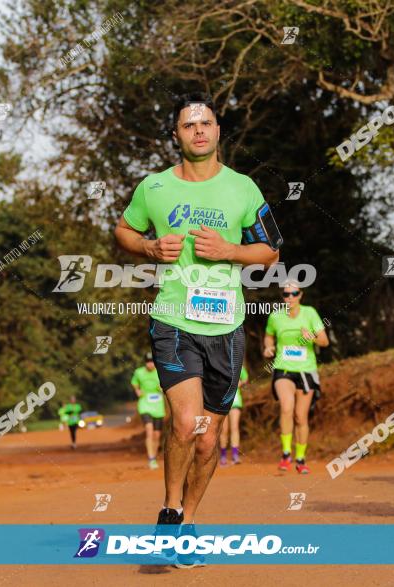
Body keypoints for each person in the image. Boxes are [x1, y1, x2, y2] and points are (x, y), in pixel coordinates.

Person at [114, 92, 281, 568]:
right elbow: (123, 231)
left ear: (218, 130)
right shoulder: (154, 188)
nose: (199, 131)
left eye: (206, 123)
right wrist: (148, 249)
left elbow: (272, 250)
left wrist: (230, 251)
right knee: (186, 424)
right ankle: (169, 509)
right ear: (176, 136)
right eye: (189, 125)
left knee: (208, 439)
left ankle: (187, 521)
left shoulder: (243, 188)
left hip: (226, 327)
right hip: (174, 321)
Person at [263, 282, 329, 475]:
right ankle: (285, 454)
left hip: (306, 371)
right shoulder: (275, 316)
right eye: (286, 294)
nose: (289, 297)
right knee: (286, 406)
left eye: (294, 293)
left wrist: (312, 338)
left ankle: (301, 458)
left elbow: (324, 341)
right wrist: (268, 347)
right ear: (282, 296)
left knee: (301, 417)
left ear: (301, 295)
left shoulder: (310, 313)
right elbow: (268, 337)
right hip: (283, 369)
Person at [131, 352, 165, 469]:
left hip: (158, 406)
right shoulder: (139, 372)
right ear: (145, 362)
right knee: (149, 430)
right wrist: (137, 391)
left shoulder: (160, 372)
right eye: (148, 362)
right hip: (145, 404)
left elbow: (164, 385)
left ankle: (154, 457)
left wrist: (162, 388)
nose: (150, 364)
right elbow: (134, 383)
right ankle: (150, 458)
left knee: (157, 434)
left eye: (152, 362)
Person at [219, 366, 248, 466]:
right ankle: (223, 456)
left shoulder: (238, 364)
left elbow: (245, 378)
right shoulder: (218, 363)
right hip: (221, 401)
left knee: (234, 427)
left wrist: (240, 383)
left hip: (235, 401)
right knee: (224, 430)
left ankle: (235, 455)